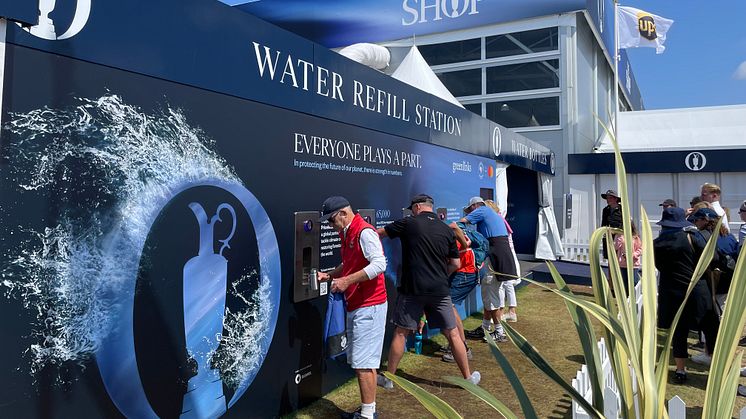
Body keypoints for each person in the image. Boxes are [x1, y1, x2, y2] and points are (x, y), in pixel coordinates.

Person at [377, 194, 481, 389]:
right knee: (452, 334)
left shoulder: (408, 223)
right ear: (430, 208)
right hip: (439, 290)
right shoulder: (446, 229)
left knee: (401, 333)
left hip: (412, 289)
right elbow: (456, 263)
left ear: (417, 207)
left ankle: (389, 379)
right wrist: (441, 274)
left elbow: (378, 233)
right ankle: (468, 379)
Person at [317, 196, 388, 419]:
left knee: (363, 364)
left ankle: (367, 416)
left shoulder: (364, 232)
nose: (330, 225)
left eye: (330, 220)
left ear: (343, 214)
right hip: (360, 304)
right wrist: (330, 275)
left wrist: (347, 281)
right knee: (363, 361)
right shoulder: (346, 233)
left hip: (370, 305)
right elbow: (349, 264)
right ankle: (368, 410)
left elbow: (379, 264)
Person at [654, 207, 720, 383]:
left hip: (672, 292)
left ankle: (680, 370)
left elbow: (659, 267)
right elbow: (712, 259)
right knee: (710, 326)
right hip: (696, 290)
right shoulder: (691, 238)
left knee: (679, 332)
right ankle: (716, 365)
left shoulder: (656, 243)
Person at [459, 196, 515, 342]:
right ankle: (485, 328)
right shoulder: (490, 214)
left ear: (476, 206)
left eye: (470, 209)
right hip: (498, 255)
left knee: (491, 294)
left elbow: (461, 223)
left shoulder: (482, 210)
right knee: (489, 293)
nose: (470, 212)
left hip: (495, 256)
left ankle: (499, 332)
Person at [441, 222, 479, 362]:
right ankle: (458, 346)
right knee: (449, 307)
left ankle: (462, 348)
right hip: (465, 274)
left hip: (464, 275)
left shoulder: (452, 236)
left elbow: (454, 262)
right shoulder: (458, 236)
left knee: (448, 307)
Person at [485, 199, 519, 322]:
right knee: (505, 283)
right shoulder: (500, 219)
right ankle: (507, 312)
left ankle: (509, 312)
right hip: (508, 252)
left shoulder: (497, 220)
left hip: (506, 253)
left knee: (505, 283)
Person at [613, 219, 642, 294]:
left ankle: (635, 300)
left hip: (633, 264)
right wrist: (619, 236)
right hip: (623, 264)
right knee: (625, 284)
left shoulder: (635, 236)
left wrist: (634, 255)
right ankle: (627, 301)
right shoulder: (620, 235)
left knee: (634, 283)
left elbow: (640, 248)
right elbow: (616, 247)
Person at [601, 190, 623, 259]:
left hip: (619, 238)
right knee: (610, 259)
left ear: (616, 199)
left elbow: (626, 223)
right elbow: (604, 223)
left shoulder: (622, 209)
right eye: (607, 198)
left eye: (610, 198)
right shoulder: (605, 210)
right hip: (608, 237)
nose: (608, 200)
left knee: (619, 258)